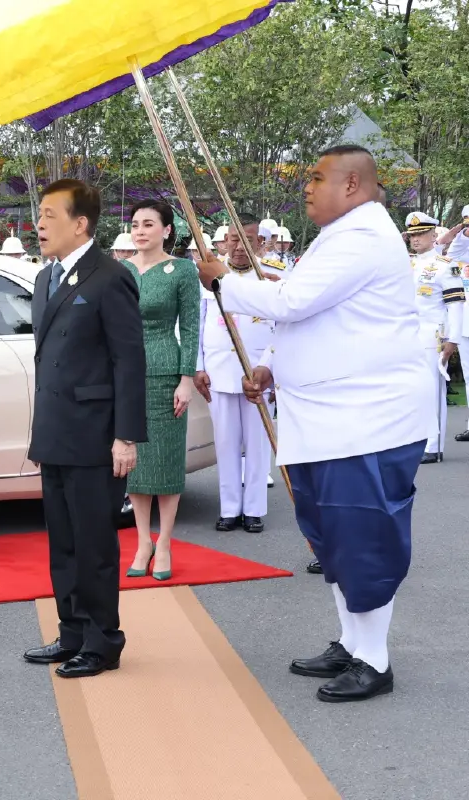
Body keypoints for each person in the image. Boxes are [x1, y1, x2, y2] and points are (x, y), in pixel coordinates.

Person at [197, 144, 429, 703]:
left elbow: (294, 300)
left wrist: (224, 279)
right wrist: (272, 367)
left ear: (352, 184)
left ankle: (375, 661)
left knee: (362, 536)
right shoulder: (341, 236)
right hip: (328, 417)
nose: (306, 187)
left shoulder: (364, 237)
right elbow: (318, 322)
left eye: (317, 177)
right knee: (331, 535)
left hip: (365, 421)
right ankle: (352, 643)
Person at [21, 178, 146, 679]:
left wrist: (125, 435)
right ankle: (71, 631)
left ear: (80, 224)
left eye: (51, 215)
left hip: (96, 434)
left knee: (95, 544)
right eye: (40, 214)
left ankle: (102, 641)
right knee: (64, 542)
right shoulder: (47, 278)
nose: (40, 224)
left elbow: (128, 360)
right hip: (57, 431)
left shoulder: (109, 276)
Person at [119, 200, 199, 580]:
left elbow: (191, 327)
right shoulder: (119, 270)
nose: (139, 230)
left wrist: (187, 378)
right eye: (135, 224)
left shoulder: (181, 270)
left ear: (167, 230)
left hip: (166, 370)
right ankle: (142, 541)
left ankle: (164, 542)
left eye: (148, 224)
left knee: (165, 459)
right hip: (126, 374)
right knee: (134, 462)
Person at [196, 215, 278, 535]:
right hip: (219, 372)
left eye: (246, 239)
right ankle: (230, 508)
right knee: (226, 443)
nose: (238, 245)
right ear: (225, 241)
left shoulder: (271, 277)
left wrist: (269, 367)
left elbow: (281, 330)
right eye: (232, 238)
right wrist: (198, 367)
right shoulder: (207, 275)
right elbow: (197, 324)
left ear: (259, 243)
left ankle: (254, 509)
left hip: (257, 375)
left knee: (257, 444)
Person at [404, 211, 463, 464]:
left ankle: (433, 444)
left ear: (432, 234)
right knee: (409, 391)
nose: (415, 240)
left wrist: (453, 340)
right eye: (412, 235)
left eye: (421, 234)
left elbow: (456, 306)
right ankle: (412, 441)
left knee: (432, 390)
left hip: (432, 336)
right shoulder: (404, 265)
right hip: (405, 336)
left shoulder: (444, 266)